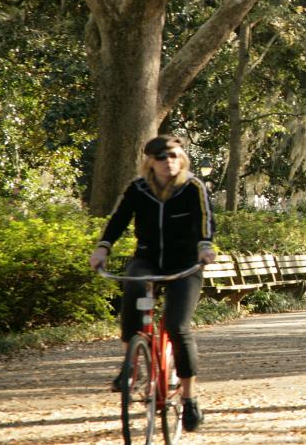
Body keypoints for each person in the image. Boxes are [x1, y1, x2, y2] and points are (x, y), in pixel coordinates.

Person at [87, 135, 215, 433]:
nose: (168, 161)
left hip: (185, 265)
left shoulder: (193, 186)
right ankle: (130, 364)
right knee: (134, 285)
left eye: (173, 156)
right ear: (150, 162)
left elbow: (207, 219)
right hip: (148, 259)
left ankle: (190, 398)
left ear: (181, 158)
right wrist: (102, 247)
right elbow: (117, 219)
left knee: (177, 326)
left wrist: (205, 246)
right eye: (161, 157)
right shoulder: (137, 188)